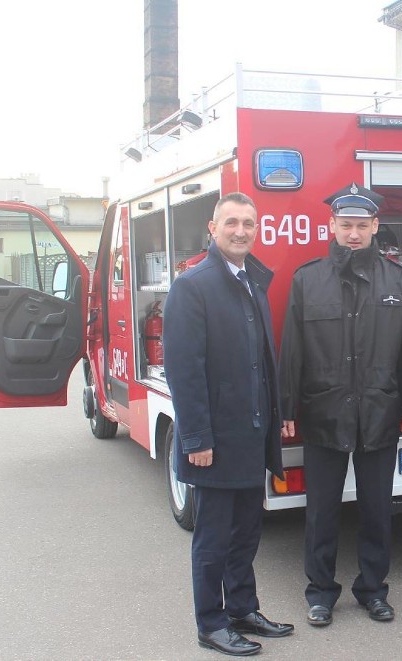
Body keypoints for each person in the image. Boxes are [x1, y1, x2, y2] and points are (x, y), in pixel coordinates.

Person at [279, 183, 402, 626]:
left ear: (376, 227)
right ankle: (320, 592)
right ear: (332, 226)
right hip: (324, 412)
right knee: (321, 511)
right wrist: (287, 409)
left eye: (362, 226)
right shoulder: (308, 279)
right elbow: (292, 350)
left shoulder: (398, 279)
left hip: (379, 411)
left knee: (377, 511)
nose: (354, 234)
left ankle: (373, 589)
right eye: (346, 226)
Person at [163, 192, 293, 656]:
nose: (241, 231)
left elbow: (263, 363)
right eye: (232, 222)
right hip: (214, 441)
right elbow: (184, 369)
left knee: (246, 533)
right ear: (213, 229)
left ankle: (241, 608)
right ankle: (211, 624)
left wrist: (275, 420)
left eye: (249, 223)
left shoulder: (251, 282)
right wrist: (196, 436)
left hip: (250, 436)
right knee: (213, 539)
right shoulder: (192, 286)